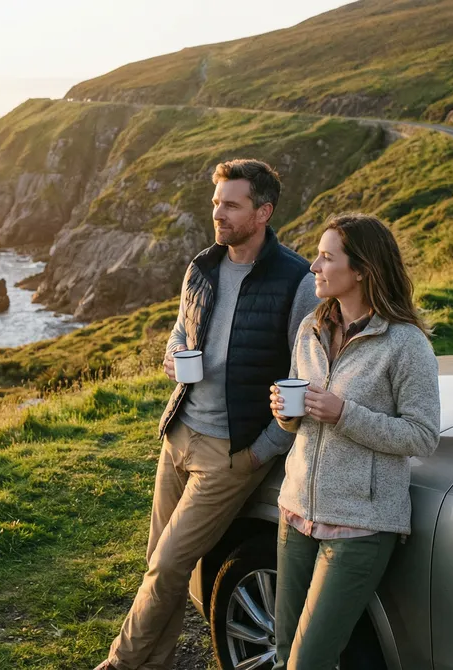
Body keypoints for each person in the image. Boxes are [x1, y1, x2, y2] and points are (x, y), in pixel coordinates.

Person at [95, 159, 319, 670]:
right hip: (179, 434)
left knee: (169, 565)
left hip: (230, 453)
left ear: (262, 212)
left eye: (231, 204)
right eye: (216, 202)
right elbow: (180, 331)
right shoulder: (201, 266)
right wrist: (173, 357)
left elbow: (303, 378)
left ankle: (119, 664)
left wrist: (263, 449)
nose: (218, 213)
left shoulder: (297, 281)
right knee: (160, 565)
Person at [269, 213, 440, 669]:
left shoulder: (406, 345)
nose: (314, 267)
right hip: (296, 512)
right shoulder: (310, 328)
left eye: (326, 257)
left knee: (309, 661)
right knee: (285, 649)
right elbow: (302, 417)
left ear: (361, 269)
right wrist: (286, 415)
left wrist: (345, 414)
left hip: (360, 525)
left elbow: (423, 436)